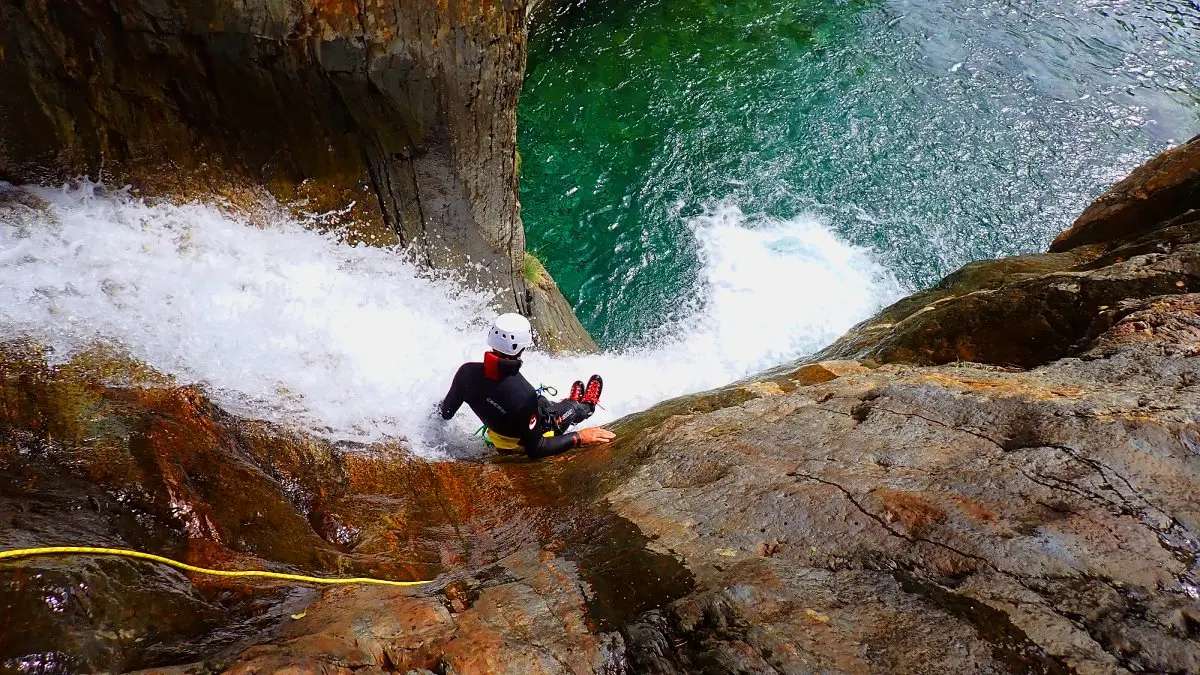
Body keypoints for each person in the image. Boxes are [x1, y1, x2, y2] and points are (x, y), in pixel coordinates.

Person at [439, 313, 616, 458]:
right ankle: (585, 406)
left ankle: (563, 404)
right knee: (569, 409)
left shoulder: (466, 373)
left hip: (501, 429)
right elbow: (537, 448)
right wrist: (580, 436)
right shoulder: (524, 395)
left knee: (542, 401)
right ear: (522, 347)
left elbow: (445, 413)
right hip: (522, 439)